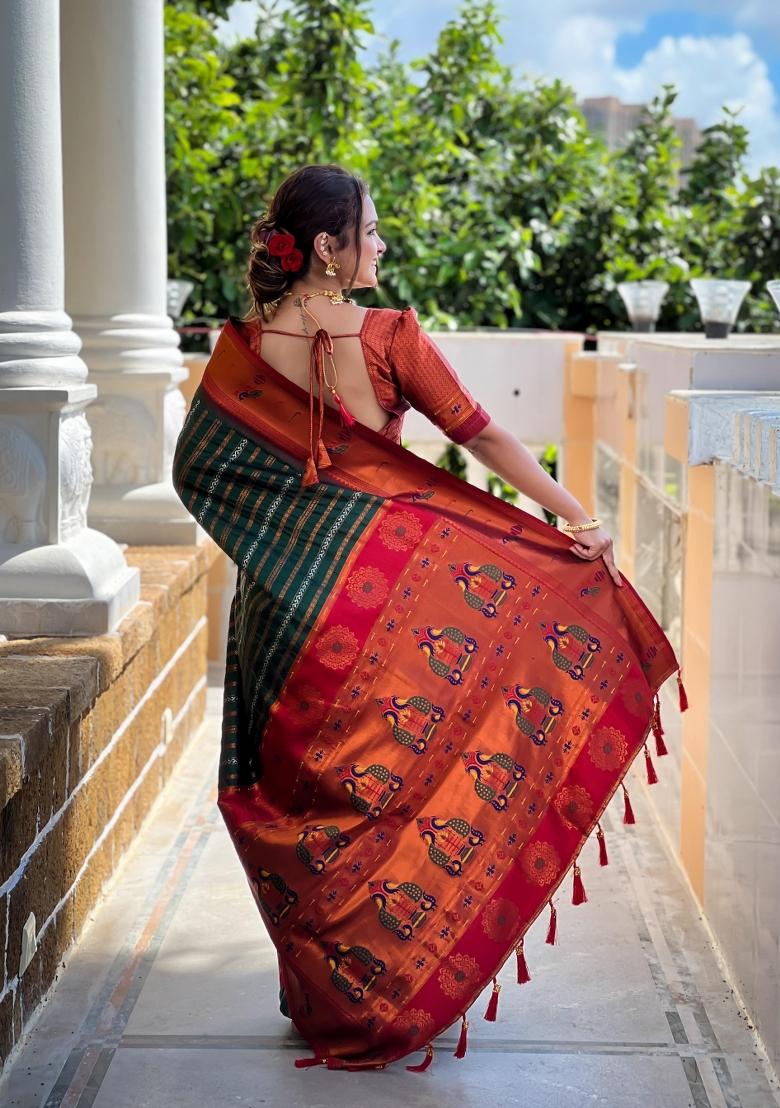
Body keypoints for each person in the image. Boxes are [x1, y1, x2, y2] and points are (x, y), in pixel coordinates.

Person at [172, 163, 686, 1074]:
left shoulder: (241, 352)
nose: (379, 246)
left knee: (300, 803)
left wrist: (279, 541)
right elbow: (479, 434)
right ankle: (373, 999)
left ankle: (314, 998)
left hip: (280, 621)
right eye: (368, 232)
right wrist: (575, 518)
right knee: (375, 797)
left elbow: (195, 472)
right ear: (326, 249)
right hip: (379, 616)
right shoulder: (388, 334)